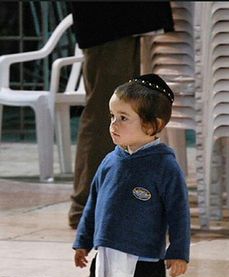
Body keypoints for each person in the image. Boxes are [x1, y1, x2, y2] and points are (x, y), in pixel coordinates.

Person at [72, 73, 191, 277]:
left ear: (152, 126)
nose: (114, 124)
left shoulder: (164, 166)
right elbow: (93, 205)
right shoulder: (110, 161)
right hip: (107, 258)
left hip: (146, 261)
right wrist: (83, 241)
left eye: (123, 118)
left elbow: (179, 211)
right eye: (113, 116)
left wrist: (178, 251)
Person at [68, 1, 175, 229]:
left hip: (119, 18)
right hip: (108, 17)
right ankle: (88, 207)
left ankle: (102, 204)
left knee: (124, 111)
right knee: (107, 113)